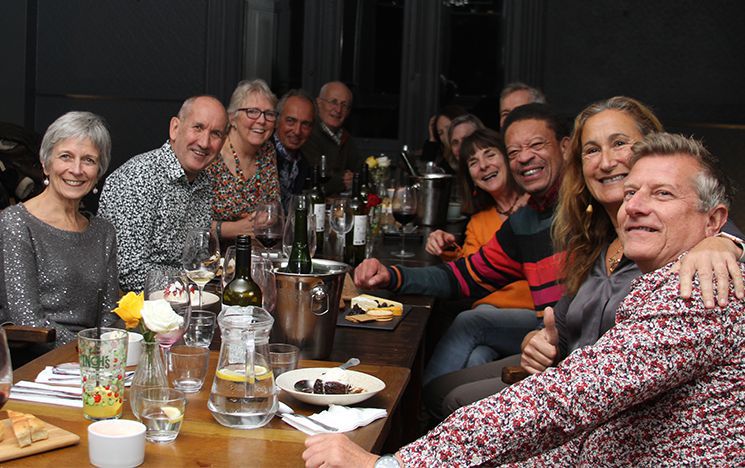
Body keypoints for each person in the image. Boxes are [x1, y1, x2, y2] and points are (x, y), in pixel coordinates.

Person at [303, 132, 745, 466]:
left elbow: (565, 398)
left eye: (662, 193)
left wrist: (397, 464)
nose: (634, 205)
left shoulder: (700, 288)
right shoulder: (607, 241)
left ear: (715, 220)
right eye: (631, 192)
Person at [425, 96, 745, 420]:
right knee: (449, 382)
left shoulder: (684, 242)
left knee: (458, 399)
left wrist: (726, 242)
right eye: (591, 150)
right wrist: (541, 340)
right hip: (570, 385)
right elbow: (559, 328)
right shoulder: (596, 235)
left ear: (652, 149)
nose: (605, 162)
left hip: (601, 410)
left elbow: (708, 218)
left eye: (619, 143)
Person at [356, 104, 570, 384]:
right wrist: (392, 275)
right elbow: (464, 276)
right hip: (541, 346)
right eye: (515, 151)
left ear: (565, 147)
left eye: (536, 145)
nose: (525, 157)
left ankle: (417, 411)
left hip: (570, 364)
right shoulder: (522, 223)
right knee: (474, 357)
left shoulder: (586, 211)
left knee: (470, 327)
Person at [0, 111, 119, 346]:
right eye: (66, 156)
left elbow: (110, 315)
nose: (76, 169)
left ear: (98, 173)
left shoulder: (103, 232)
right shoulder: (16, 223)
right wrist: (89, 349)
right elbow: (27, 320)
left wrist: (107, 353)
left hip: (95, 360)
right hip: (36, 363)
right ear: (45, 164)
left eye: (89, 160)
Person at [99, 95, 228, 291]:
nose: (204, 142)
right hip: (133, 312)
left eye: (216, 134)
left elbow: (196, 260)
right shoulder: (138, 177)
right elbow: (128, 273)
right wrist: (190, 289)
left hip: (181, 304)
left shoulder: (204, 183)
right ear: (175, 128)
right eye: (198, 128)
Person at [425, 129, 531, 310]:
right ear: (471, 179)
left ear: (508, 159)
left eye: (490, 155)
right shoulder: (478, 221)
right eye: (473, 162)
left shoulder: (536, 203)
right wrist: (447, 247)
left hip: (532, 310)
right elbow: (470, 272)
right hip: (489, 311)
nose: (483, 166)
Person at [206, 79, 281, 242]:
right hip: (210, 255)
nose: (261, 121)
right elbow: (186, 220)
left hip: (253, 251)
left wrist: (265, 217)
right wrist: (233, 229)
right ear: (232, 117)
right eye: (252, 111)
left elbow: (274, 206)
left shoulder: (267, 151)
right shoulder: (211, 151)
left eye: (269, 114)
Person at [301, 81, 361, 195]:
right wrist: (343, 180)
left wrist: (355, 179)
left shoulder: (346, 138)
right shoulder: (307, 134)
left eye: (344, 105)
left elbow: (363, 174)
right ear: (318, 103)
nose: (338, 110)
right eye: (333, 102)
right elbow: (316, 180)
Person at [273, 89, 316, 211]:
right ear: (277, 120)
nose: (297, 131)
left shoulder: (304, 163)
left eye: (305, 124)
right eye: (290, 121)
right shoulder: (262, 155)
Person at [420, 105, 468, 173]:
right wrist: (432, 138)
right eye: (440, 133)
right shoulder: (447, 159)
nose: (446, 136)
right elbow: (425, 172)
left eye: (449, 128)